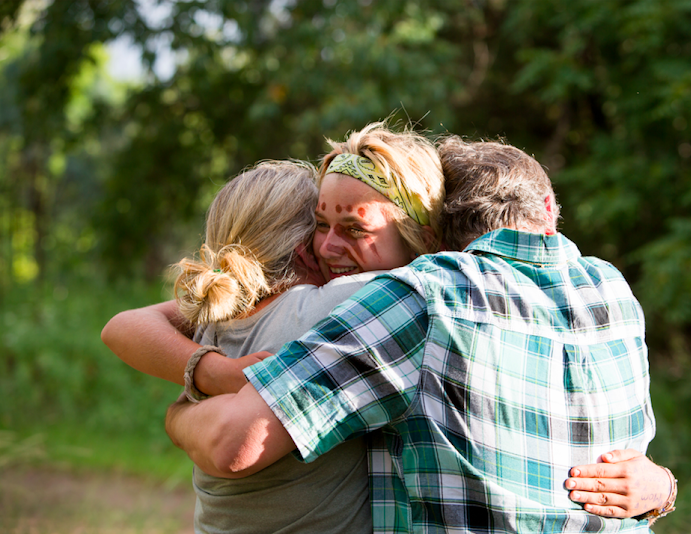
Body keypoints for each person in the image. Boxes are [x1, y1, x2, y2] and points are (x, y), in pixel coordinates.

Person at [163, 136, 677, 533]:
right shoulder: (612, 290)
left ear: (432, 231)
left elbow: (234, 442)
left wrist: (182, 406)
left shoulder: (421, 297)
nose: (325, 248)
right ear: (547, 208)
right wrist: (664, 486)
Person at [102, 122, 447, 534]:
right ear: (304, 246)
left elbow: (122, 325)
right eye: (321, 225)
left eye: (353, 230)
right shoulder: (339, 304)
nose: (330, 247)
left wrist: (191, 394)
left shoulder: (217, 312)